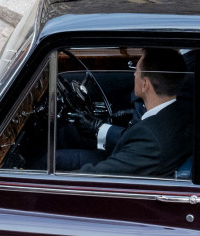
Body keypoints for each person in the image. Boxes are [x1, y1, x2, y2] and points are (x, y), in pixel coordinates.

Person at [74, 48, 193, 176]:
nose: (134, 74)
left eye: (136, 70)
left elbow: (99, 175)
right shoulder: (184, 114)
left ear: (145, 84)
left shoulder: (149, 140)